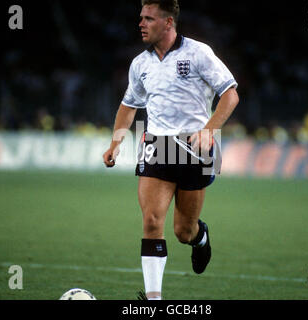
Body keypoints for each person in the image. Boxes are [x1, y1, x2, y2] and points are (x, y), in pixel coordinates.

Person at [102, 0, 239, 300]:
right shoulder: (140, 64)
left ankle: (200, 238)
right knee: (151, 221)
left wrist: (209, 129)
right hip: (156, 146)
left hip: (195, 148)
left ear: (168, 23)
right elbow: (129, 105)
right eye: (141, 17)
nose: (141, 23)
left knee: (182, 231)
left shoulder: (199, 53)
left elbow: (230, 95)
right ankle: (154, 301)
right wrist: (116, 142)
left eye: (148, 18)